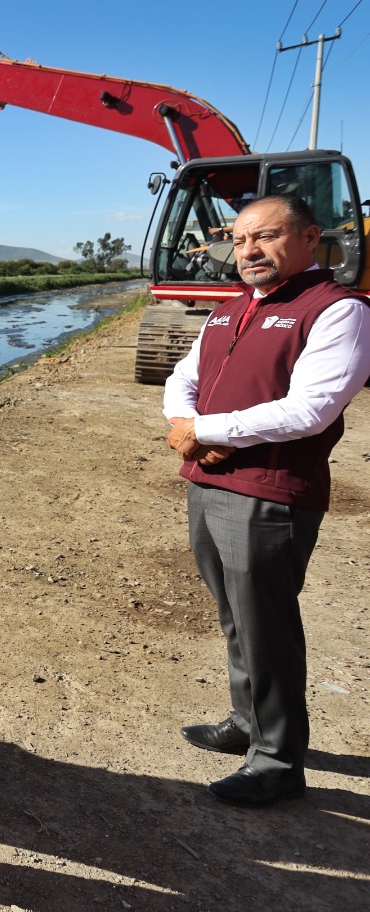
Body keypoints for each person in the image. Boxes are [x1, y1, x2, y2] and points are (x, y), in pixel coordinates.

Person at [164, 194, 370, 806]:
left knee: (267, 622)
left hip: (272, 494)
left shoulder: (336, 311)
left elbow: (312, 409)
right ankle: (247, 721)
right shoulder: (229, 311)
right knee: (234, 615)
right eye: (240, 238)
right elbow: (184, 377)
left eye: (267, 237)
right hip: (209, 482)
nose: (248, 250)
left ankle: (278, 761)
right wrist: (185, 423)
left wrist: (208, 431)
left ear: (310, 238)